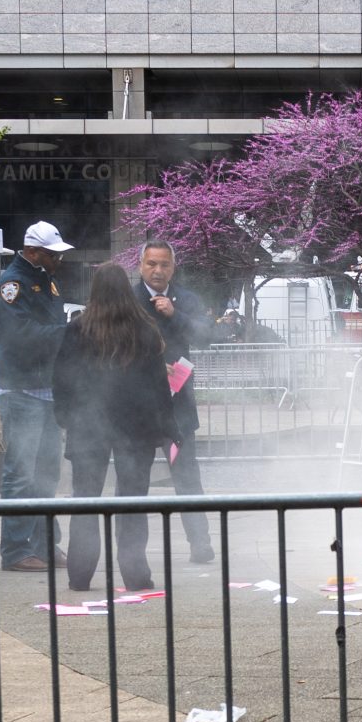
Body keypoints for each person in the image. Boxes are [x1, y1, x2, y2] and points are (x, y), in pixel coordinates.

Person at [52, 263, 178, 592]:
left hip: (88, 424)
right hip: (135, 425)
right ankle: (135, 573)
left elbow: (62, 377)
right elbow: (158, 383)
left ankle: (80, 574)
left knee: (85, 500)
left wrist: (65, 416)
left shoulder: (78, 328)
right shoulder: (145, 328)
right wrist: (167, 424)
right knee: (133, 500)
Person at [0, 221, 73, 573]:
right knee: (22, 473)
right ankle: (15, 549)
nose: (59, 260)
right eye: (54, 254)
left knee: (46, 473)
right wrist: (68, 333)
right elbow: (20, 335)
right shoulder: (12, 284)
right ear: (34, 252)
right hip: (21, 389)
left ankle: (44, 544)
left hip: (45, 389)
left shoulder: (47, 280)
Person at [135, 240, 217, 565]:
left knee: (187, 476)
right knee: (135, 479)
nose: (157, 270)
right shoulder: (129, 298)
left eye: (164, 264)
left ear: (173, 266)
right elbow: (115, 344)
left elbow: (206, 335)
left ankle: (200, 543)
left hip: (177, 405)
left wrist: (176, 313)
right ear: (141, 265)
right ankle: (133, 554)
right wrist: (151, 365)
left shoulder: (186, 299)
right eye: (151, 264)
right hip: (139, 407)